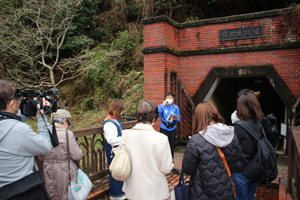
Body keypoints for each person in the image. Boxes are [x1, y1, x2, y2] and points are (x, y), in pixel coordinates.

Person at [0, 79, 53, 199]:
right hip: (27, 192)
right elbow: (46, 146)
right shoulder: (19, 130)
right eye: (17, 101)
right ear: (11, 104)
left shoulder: (9, 127)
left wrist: (27, 112)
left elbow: (7, 122)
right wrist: (42, 117)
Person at [182, 101, 241, 200]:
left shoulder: (196, 140)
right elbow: (237, 158)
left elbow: (187, 169)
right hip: (225, 189)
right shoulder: (231, 134)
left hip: (201, 191)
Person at [122, 99, 173, 200]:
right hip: (155, 191)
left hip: (132, 190)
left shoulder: (125, 135)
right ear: (154, 118)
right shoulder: (161, 138)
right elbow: (166, 168)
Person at [38, 109, 83, 200]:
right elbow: (77, 155)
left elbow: (40, 156)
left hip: (48, 169)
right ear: (65, 121)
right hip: (65, 169)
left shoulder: (44, 133)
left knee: (52, 193)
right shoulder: (68, 134)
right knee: (67, 194)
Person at [232, 91, 264, 200]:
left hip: (241, 170)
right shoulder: (259, 123)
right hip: (255, 168)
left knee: (241, 198)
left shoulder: (239, 127)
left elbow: (232, 149)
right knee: (251, 196)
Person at [103, 100, 126, 200]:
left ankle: (120, 192)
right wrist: (124, 138)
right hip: (113, 151)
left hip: (118, 149)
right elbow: (110, 139)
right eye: (121, 110)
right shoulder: (109, 123)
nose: (121, 112)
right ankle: (115, 194)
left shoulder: (115, 120)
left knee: (119, 170)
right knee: (115, 171)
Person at [158, 92, 180, 159]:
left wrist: (175, 118)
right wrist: (163, 106)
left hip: (172, 127)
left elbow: (178, 118)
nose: (169, 99)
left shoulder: (176, 107)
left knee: (171, 144)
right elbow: (158, 114)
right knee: (162, 144)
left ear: (173, 99)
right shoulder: (161, 106)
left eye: (171, 98)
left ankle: (171, 159)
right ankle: (162, 159)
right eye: (168, 97)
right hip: (163, 127)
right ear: (165, 98)